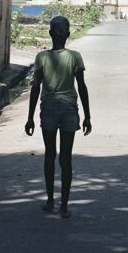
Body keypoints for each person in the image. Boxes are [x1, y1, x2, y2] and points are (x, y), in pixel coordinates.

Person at [25, 16, 91, 218]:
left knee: (50, 155)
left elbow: (36, 87)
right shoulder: (75, 57)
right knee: (66, 158)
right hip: (70, 109)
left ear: (50, 33)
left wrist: (30, 117)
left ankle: (49, 201)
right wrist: (87, 116)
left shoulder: (42, 57)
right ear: (68, 34)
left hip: (49, 109)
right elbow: (81, 87)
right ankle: (64, 206)